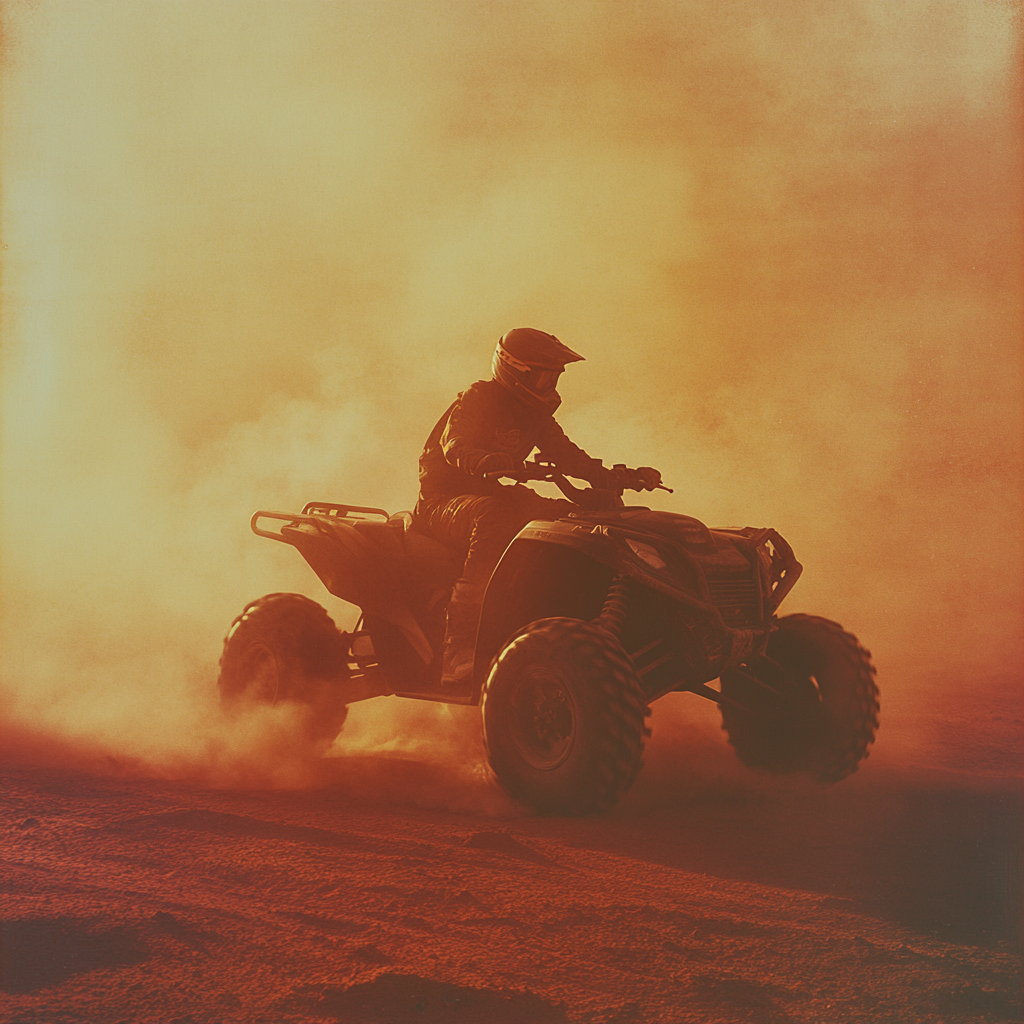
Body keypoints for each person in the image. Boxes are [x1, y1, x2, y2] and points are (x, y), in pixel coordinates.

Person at [415, 328, 662, 688]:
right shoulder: (478, 397)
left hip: (494, 494)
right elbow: (454, 446)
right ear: (514, 370)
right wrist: (485, 460)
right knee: (494, 517)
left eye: (554, 376)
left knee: (571, 517)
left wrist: (616, 478)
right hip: (443, 502)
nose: (549, 384)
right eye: (542, 375)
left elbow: (568, 457)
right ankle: (459, 650)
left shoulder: (535, 414)